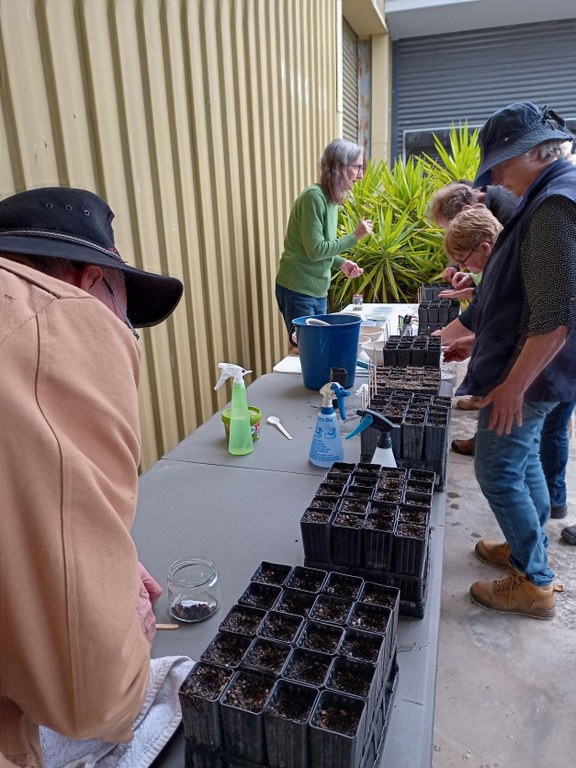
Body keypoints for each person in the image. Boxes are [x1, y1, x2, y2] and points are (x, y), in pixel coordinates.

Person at [0, 187, 183, 766]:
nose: (126, 330)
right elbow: (94, 697)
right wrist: (111, 614)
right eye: (125, 309)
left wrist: (103, 563)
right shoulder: (47, 327)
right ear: (85, 281)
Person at [443, 101, 576, 619]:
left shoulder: (554, 206)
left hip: (537, 375)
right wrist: (478, 343)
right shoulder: (544, 197)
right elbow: (525, 299)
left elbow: (555, 319)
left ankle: (533, 581)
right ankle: (528, 549)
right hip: (538, 368)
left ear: (529, 153)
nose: (495, 177)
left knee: (497, 469)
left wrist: (512, 388)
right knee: (522, 463)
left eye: (499, 163)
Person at [275, 138, 372, 353]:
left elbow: (314, 248)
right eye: (357, 167)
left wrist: (340, 263)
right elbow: (316, 250)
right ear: (339, 167)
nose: (361, 174)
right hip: (298, 289)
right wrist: (354, 236)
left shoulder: (332, 201)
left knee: (317, 349)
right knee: (306, 350)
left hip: (318, 290)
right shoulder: (313, 197)